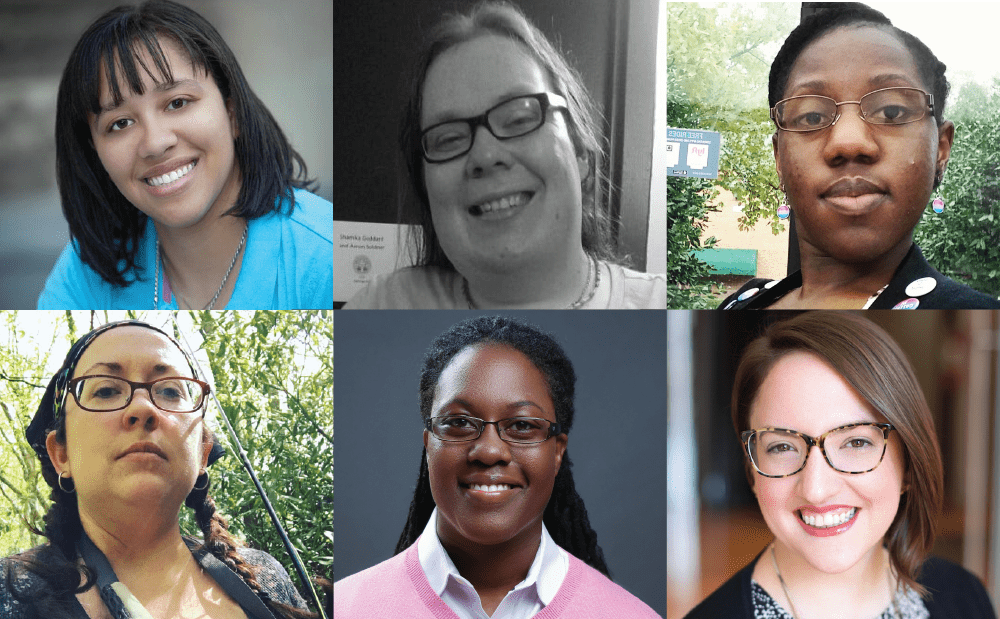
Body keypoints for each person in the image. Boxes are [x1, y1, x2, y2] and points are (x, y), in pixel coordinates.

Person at [344, 1, 666, 309]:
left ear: (579, 150)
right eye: (449, 138)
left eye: (520, 118)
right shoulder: (377, 305)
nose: (485, 154)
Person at [334, 315, 660, 617]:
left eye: (521, 426)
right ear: (428, 444)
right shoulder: (347, 607)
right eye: (459, 421)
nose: (489, 450)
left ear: (557, 451)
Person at [1, 320, 322, 618]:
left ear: (202, 452)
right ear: (61, 454)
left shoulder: (265, 575)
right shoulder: (11, 591)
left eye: (170, 390)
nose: (143, 408)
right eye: (106, 390)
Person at [685, 312, 997, 619]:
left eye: (856, 443)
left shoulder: (964, 596)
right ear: (752, 467)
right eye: (782, 447)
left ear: (909, 461)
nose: (817, 490)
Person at [39, 0, 333, 310]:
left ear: (232, 112)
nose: (154, 143)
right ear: (95, 152)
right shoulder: (89, 269)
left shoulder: (325, 258)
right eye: (120, 123)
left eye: (177, 103)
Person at [720, 4, 1000, 309]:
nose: (849, 143)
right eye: (812, 117)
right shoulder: (740, 304)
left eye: (891, 112)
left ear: (941, 149)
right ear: (779, 157)